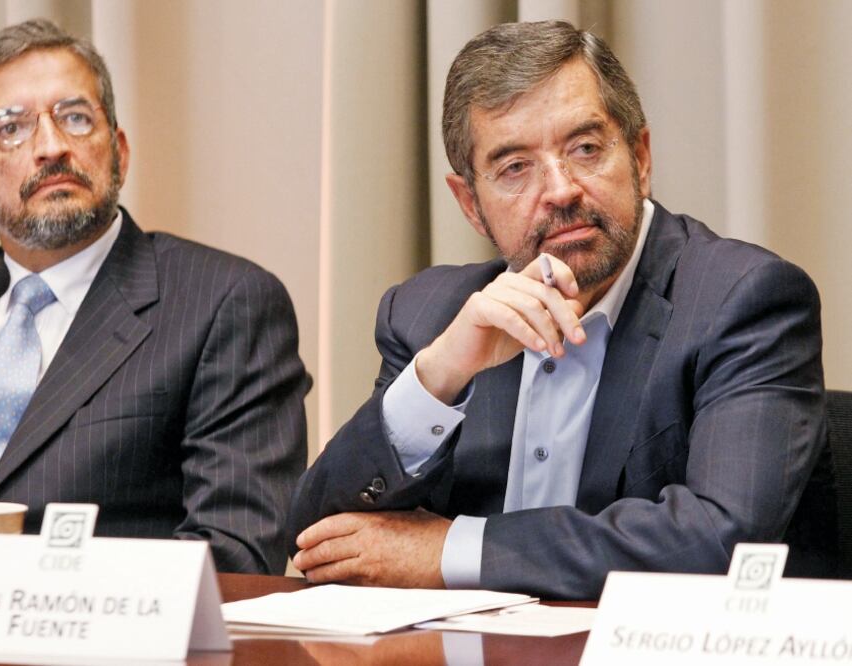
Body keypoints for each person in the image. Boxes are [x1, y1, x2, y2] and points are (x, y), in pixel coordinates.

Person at [286, 20, 828, 598]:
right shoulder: (427, 314)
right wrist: (440, 375)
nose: (561, 189)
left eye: (585, 149)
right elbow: (318, 535)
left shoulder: (743, 299)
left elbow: (723, 540)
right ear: (470, 203)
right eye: (515, 167)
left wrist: (452, 551)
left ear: (640, 157)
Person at [0, 19, 309, 575]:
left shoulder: (222, 303)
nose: (51, 147)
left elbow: (237, 555)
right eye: (11, 128)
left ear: (118, 151)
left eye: (75, 118)